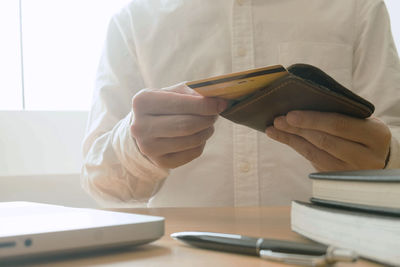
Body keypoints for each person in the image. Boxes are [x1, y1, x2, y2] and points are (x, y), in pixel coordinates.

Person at [82, 0, 400, 207]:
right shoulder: (133, 21)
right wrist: (136, 149)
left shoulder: (358, 8)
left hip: (327, 254)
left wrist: (383, 160)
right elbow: (100, 184)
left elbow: (394, 141)